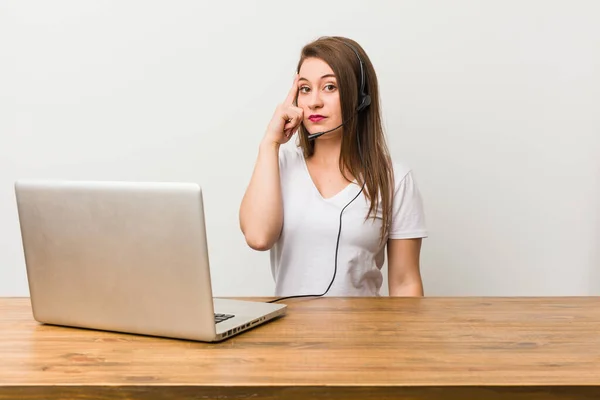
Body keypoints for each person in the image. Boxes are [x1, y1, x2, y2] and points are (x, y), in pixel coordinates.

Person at [239, 36, 427, 299]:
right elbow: (258, 237)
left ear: (360, 98)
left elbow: (405, 282)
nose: (314, 101)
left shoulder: (395, 178)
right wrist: (269, 143)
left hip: (366, 337)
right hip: (289, 337)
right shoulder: (279, 165)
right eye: (305, 89)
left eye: (329, 87)